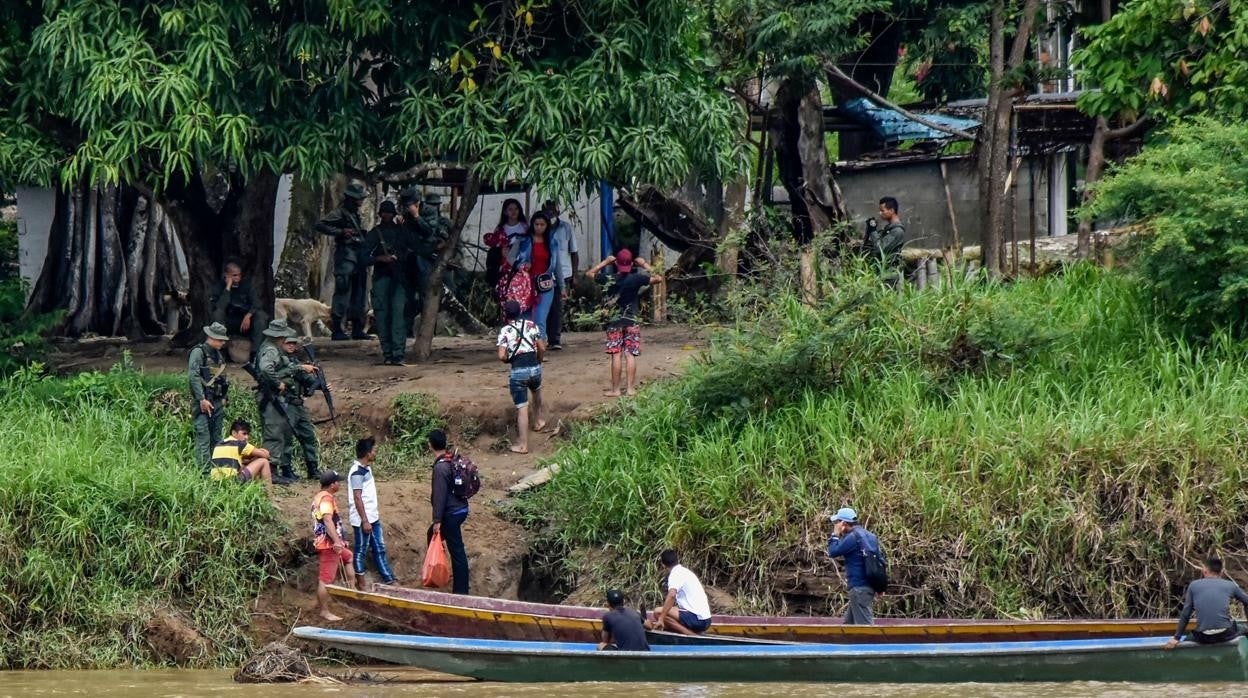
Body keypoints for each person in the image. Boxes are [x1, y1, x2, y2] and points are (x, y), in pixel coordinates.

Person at [255, 319, 321, 481]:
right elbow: (265, 368)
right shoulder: (271, 350)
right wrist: (278, 383)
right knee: (274, 434)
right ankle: (272, 472)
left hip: (278, 398)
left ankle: (281, 471)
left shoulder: (275, 350)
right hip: (271, 398)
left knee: (281, 433)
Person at [587, 249, 654, 396]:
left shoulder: (609, 278)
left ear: (616, 263)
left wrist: (605, 262)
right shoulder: (637, 278)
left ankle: (616, 390)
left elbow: (589, 274)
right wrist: (644, 264)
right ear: (631, 264)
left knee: (616, 355)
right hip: (632, 320)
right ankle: (630, 389)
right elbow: (659, 278)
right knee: (630, 355)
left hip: (614, 322)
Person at [316, 181, 369, 340]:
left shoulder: (355, 214)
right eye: (359, 199)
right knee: (343, 292)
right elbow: (320, 225)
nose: (361, 201)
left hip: (358, 256)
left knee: (359, 293)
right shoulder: (340, 213)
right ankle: (338, 329)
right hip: (345, 256)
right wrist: (340, 232)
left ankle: (357, 328)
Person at [495, 299, 547, 454]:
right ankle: (538, 421)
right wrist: (538, 360)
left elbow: (501, 355)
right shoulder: (531, 325)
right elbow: (542, 347)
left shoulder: (505, 331)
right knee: (536, 391)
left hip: (518, 371)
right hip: (535, 368)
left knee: (522, 408)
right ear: (520, 311)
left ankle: (523, 445)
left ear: (506, 314)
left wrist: (507, 359)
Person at [363, 200, 412, 365]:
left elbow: (412, 253)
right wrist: (380, 258)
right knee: (382, 317)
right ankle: (388, 354)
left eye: (389, 212)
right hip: (381, 279)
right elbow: (362, 257)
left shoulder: (402, 232)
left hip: (399, 279)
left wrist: (399, 258)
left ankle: (398, 354)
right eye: (384, 212)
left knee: (398, 317)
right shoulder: (374, 234)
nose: (386, 215)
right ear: (380, 214)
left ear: (394, 214)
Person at [1165, 557, 1248, 648]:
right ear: (1222, 572)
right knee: (1243, 628)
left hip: (1203, 637)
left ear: (1205, 571)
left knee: (1188, 639)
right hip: (1225, 634)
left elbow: (1186, 613)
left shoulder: (1194, 585)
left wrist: (1176, 638)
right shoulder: (1230, 585)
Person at [348, 436, 397, 589]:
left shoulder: (365, 469)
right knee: (361, 550)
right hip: (364, 519)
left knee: (379, 548)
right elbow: (357, 497)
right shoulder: (357, 473)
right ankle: (360, 582)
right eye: (374, 451)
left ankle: (389, 578)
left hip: (372, 517)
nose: (375, 453)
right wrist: (364, 520)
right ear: (368, 454)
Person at [429, 429, 470, 594]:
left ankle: (460, 591)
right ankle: (436, 567)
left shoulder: (440, 468)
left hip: (451, 514)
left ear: (430, 445)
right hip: (461, 508)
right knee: (431, 536)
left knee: (457, 552)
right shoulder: (451, 459)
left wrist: (437, 521)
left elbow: (439, 496)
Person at [826, 507, 882, 625]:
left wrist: (835, 535)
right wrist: (880, 585)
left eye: (837, 522)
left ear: (844, 523)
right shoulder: (871, 536)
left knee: (865, 628)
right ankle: (843, 642)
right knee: (848, 626)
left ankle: (874, 644)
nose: (836, 525)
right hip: (867, 587)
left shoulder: (852, 537)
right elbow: (880, 561)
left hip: (858, 589)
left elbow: (833, 551)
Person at [312, 470, 352, 621]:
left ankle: (352, 591)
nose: (339, 484)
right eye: (337, 482)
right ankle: (324, 610)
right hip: (329, 545)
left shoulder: (320, 496)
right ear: (332, 484)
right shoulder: (327, 499)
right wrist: (336, 541)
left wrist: (340, 540)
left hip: (331, 542)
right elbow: (328, 520)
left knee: (348, 557)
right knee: (326, 579)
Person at [189, 322, 230, 472]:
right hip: (203, 401)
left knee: (216, 437)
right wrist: (201, 399)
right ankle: (204, 473)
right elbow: (193, 376)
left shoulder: (218, 355)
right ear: (210, 337)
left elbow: (223, 378)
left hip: (217, 401)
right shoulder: (198, 352)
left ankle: (216, 471)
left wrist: (225, 396)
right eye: (219, 339)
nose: (222, 342)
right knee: (203, 437)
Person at [209, 260, 269, 360]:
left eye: (239, 275)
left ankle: (255, 353)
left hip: (245, 322)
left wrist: (248, 315)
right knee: (217, 314)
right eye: (234, 275)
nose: (237, 278)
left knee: (261, 316)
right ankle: (221, 351)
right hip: (229, 322)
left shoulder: (246, 285)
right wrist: (228, 288)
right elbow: (220, 307)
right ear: (226, 275)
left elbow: (257, 303)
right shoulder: (219, 287)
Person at [646, 549, 712, 635]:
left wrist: (661, 618)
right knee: (666, 612)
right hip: (705, 619)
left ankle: (692, 636)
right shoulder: (684, 571)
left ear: (663, 565)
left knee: (658, 612)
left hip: (699, 619)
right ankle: (687, 631)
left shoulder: (675, 574)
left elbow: (672, 595)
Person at [542, 200, 579, 350]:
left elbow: (574, 252)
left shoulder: (566, 228)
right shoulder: (540, 228)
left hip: (563, 273)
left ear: (557, 212)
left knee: (558, 307)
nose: (550, 213)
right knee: (544, 307)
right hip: (544, 274)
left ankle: (555, 339)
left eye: (553, 210)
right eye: (547, 210)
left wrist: (575, 275)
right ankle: (541, 337)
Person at [208, 419, 281, 491]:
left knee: (244, 465)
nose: (246, 437)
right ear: (234, 433)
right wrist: (262, 450)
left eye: (247, 434)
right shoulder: (240, 444)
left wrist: (250, 460)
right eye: (244, 433)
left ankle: (255, 492)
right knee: (263, 461)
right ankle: (269, 497)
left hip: (216, 485)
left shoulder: (219, 444)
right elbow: (265, 455)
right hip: (231, 483)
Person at [526, 211, 566, 340]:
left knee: (540, 317)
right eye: (536, 224)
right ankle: (528, 348)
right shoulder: (524, 241)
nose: (539, 227)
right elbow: (513, 259)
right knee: (527, 318)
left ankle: (539, 350)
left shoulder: (552, 242)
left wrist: (562, 286)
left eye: (542, 224)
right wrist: (521, 266)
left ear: (547, 225)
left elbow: (557, 266)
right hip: (527, 284)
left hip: (546, 284)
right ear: (532, 224)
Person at [863, 196, 905, 282]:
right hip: (882, 273)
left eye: (882, 210)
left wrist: (873, 230)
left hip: (889, 276)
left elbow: (880, 248)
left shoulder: (897, 231)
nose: (880, 213)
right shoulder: (889, 229)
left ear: (891, 211)